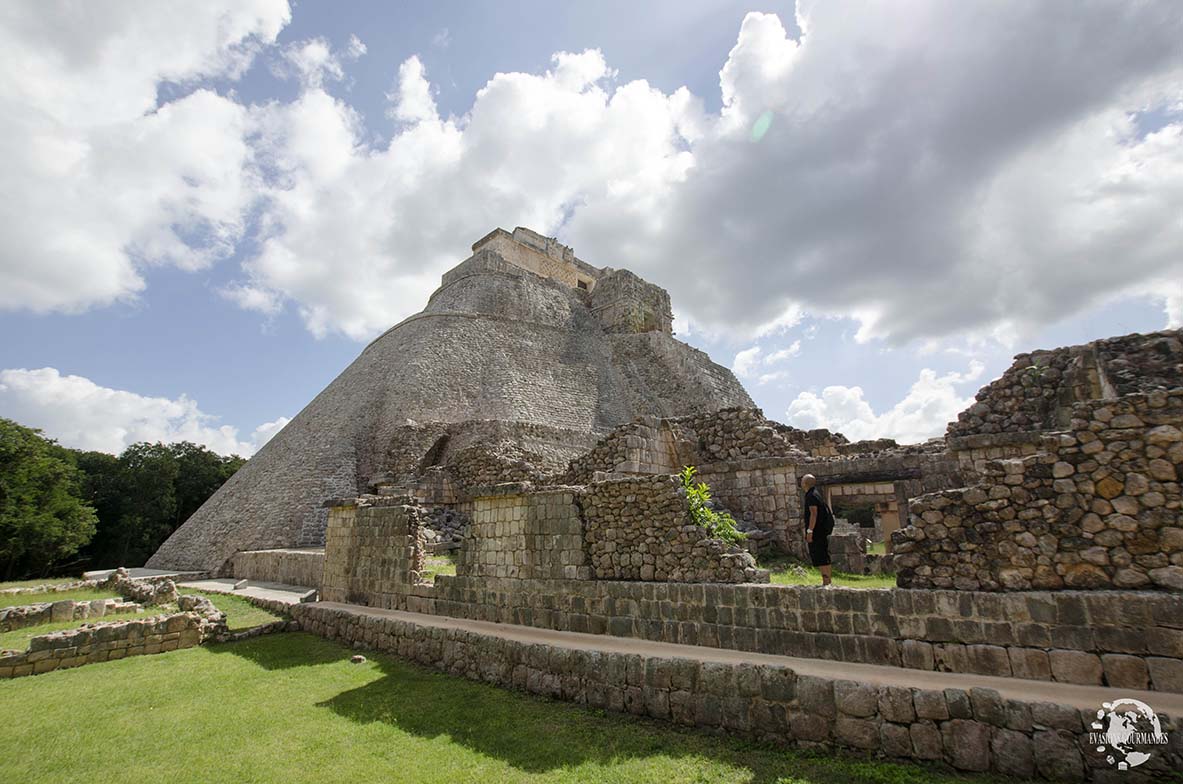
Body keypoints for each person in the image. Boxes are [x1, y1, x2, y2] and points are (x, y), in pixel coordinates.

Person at [801, 474, 834, 586]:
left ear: (805, 483)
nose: (801, 483)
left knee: (821, 556)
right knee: (823, 555)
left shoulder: (811, 495)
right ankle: (827, 580)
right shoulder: (816, 493)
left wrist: (810, 531)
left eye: (802, 481)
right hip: (821, 530)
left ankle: (826, 581)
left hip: (817, 531)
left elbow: (813, 514)